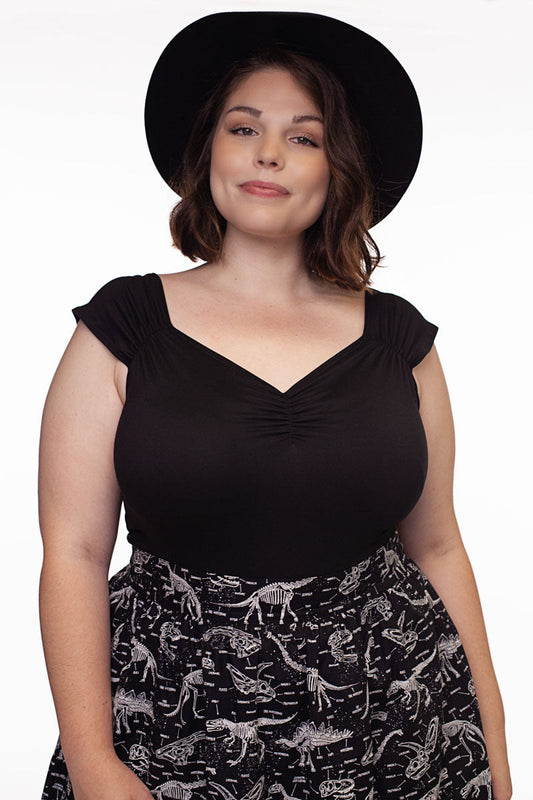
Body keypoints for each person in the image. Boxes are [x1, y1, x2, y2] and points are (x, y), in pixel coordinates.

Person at [39, 11, 511, 800]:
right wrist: (93, 764)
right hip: (167, 725)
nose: (268, 152)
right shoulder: (124, 326)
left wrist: (491, 748)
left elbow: (437, 548)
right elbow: (74, 554)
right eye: (243, 127)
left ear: (337, 167)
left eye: (303, 136)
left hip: (396, 724)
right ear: (208, 152)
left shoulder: (400, 340)